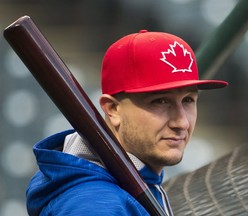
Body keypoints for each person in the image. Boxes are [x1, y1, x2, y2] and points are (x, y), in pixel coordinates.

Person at [26, 30, 228, 215]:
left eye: (188, 100)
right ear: (113, 109)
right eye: (160, 101)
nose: (181, 122)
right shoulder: (95, 206)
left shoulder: (134, 183)